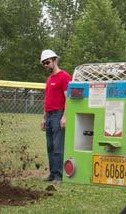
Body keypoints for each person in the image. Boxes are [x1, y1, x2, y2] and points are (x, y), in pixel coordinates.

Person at [40, 49, 72, 183]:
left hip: (59, 114)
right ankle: (52, 174)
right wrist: (43, 118)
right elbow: (47, 99)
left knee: (58, 146)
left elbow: (68, 98)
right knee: (50, 146)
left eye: (47, 62)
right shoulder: (49, 79)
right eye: (43, 64)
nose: (46, 65)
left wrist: (64, 117)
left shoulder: (64, 76)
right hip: (49, 116)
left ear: (55, 60)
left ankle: (59, 175)